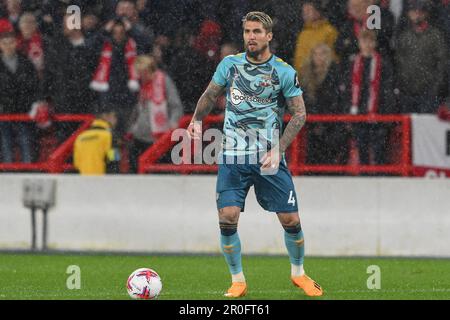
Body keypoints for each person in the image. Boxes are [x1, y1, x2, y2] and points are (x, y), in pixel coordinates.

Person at [187, 11, 323, 298]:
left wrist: (278, 149)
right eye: (248, 31)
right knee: (227, 216)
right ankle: (238, 280)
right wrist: (197, 119)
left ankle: (298, 273)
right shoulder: (230, 65)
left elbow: (299, 114)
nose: (251, 36)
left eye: (257, 32)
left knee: (291, 221)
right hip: (233, 157)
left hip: (268, 159)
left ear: (269, 36)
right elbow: (211, 94)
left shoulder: (283, 72)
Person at [345, 29, 395, 165]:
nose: (367, 44)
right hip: (358, 114)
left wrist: (386, 113)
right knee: (361, 148)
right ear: (359, 43)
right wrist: (348, 112)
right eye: (363, 41)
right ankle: (364, 179)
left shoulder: (383, 64)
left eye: (370, 41)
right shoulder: (352, 64)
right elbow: (348, 90)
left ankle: (380, 178)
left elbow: (387, 91)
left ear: (374, 43)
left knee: (379, 150)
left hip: (377, 113)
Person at [127, 55, 183, 173]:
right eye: (139, 72)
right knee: (137, 170)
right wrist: (132, 128)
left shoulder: (163, 80)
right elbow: (136, 109)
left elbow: (175, 105)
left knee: (160, 171)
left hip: (160, 137)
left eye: (143, 72)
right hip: (140, 136)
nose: (141, 76)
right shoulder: (138, 85)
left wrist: (173, 123)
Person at [0, 19, 39, 163]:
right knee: (6, 148)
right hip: (3, 113)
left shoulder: (26, 62)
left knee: (26, 145)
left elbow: (34, 85)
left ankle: (28, 173)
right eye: (5, 43)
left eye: (11, 42)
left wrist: (32, 103)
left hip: (23, 111)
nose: (8, 46)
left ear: (16, 43)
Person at [293, 0, 338, 75]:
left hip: (320, 77)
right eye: (304, 11)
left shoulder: (329, 31)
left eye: (309, 10)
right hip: (302, 78)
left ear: (318, 12)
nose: (305, 14)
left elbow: (332, 56)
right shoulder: (303, 33)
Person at [73, 108, 120, 175]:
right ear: (106, 116)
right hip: (102, 181)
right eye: (114, 117)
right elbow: (114, 161)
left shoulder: (80, 137)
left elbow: (76, 163)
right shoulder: (110, 136)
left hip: (84, 180)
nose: (116, 121)